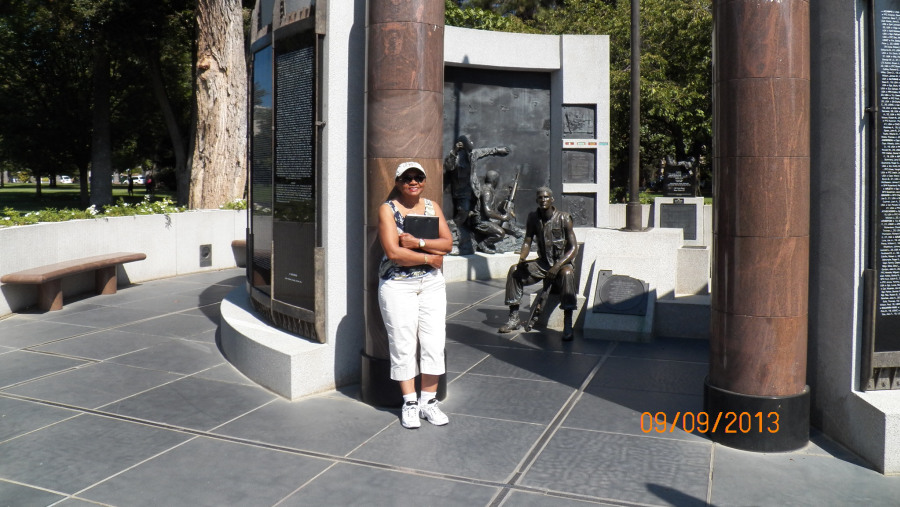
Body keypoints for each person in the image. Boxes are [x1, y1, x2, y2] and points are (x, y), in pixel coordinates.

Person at [378, 161, 453, 429]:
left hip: (431, 284)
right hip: (398, 285)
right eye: (407, 177)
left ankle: (429, 401)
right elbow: (394, 254)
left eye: (418, 177)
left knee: (433, 341)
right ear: (398, 181)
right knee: (403, 342)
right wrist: (430, 258)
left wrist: (418, 244)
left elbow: (448, 243)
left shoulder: (433, 207)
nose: (413, 182)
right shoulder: (388, 210)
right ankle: (409, 402)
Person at [499, 187, 578, 340]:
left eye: (546, 197)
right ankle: (514, 317)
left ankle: (568, 322)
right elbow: (527, 241)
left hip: (561, 265)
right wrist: (522, 258)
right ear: (536, 200)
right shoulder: (533, 218)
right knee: (515, 271)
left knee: (567, 274)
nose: (543, 200)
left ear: (552, 199)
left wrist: (557, 266)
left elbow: (574, 248)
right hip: (542, 265)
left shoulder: (564, 218)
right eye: (540, 198)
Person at [443, 135, 509, 254]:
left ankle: (477, 240)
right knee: (462, 215)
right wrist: (454, 151)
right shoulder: (456, 157)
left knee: (476, 217)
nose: (472, 144)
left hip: (474, 191)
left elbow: (485, 151)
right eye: (470, 142)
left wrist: (498, 150)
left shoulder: (472, 154)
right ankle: (450, 238)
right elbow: (448, 166)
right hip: (461, 193)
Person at [472, 170, 511, 254]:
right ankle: (483, 244)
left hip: (485, 219)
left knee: (506, 225)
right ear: (495, 181)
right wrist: (502, 217)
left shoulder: (488, 189)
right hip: (480, 222)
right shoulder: (487, 192)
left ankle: (490, 245)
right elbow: (488, 212)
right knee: (500, 233)